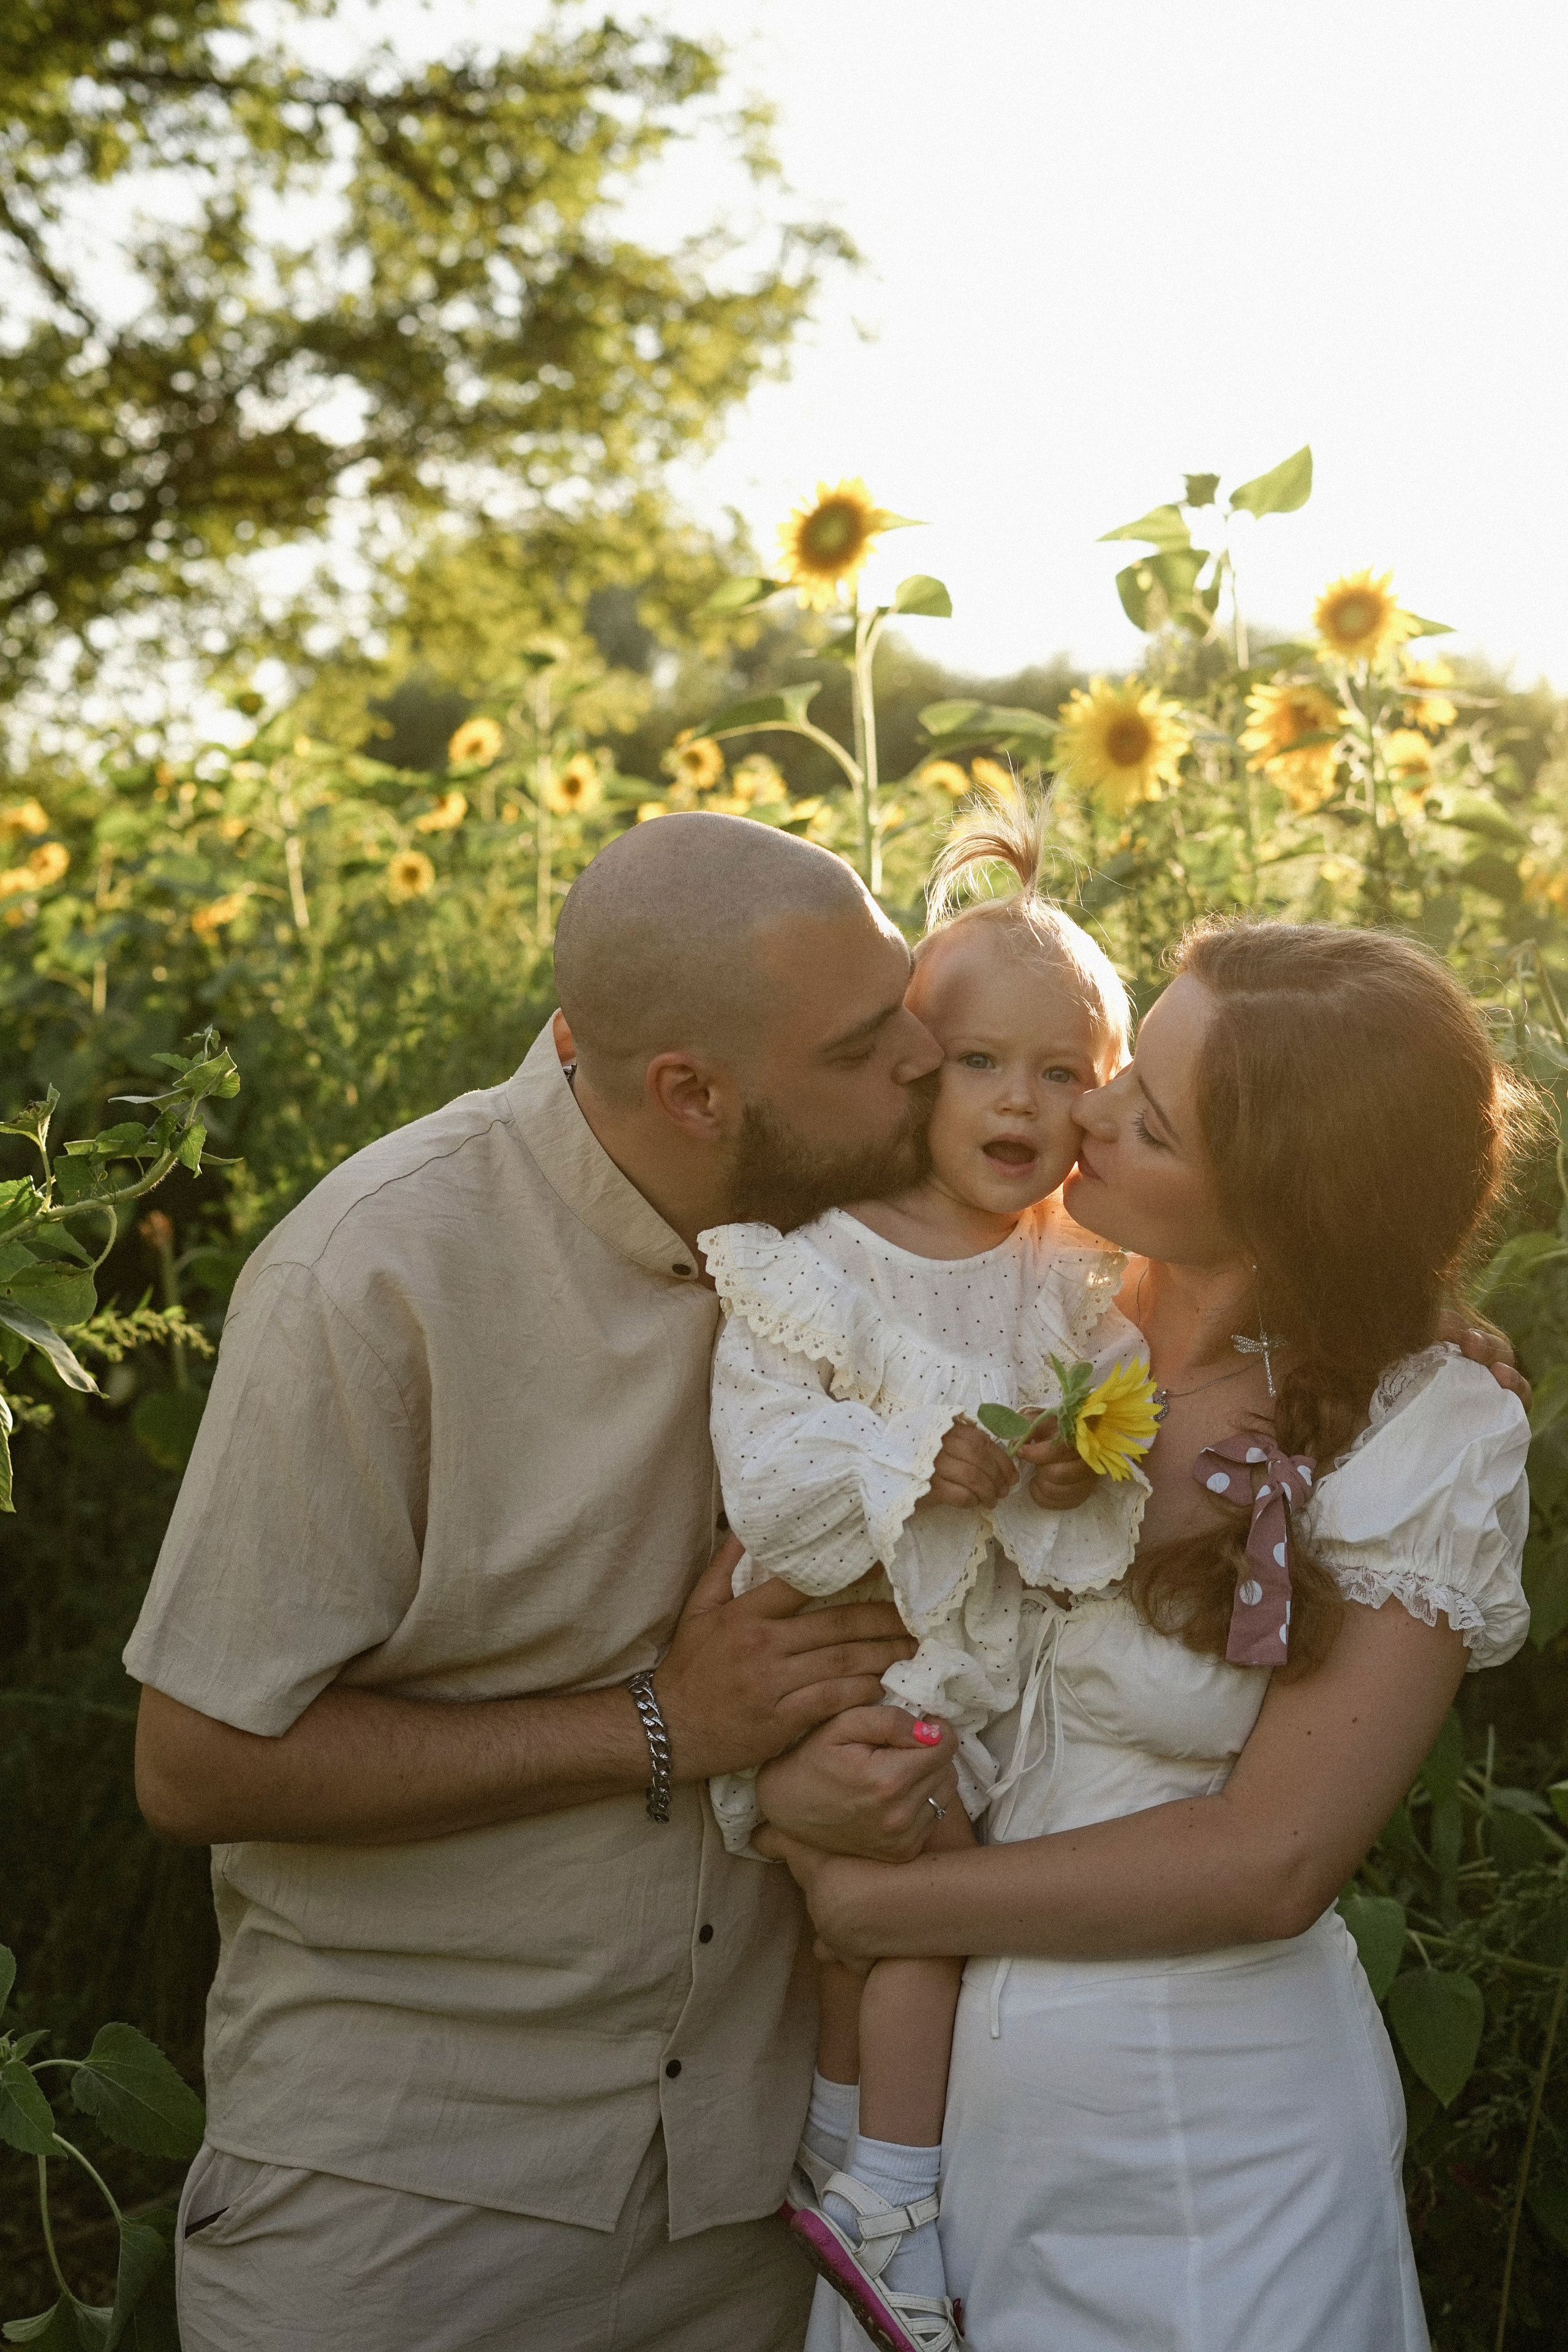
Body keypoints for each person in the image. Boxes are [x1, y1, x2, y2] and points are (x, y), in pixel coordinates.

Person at [124, 812, 968, 2352]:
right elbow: (194, 1760)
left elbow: (1164, 1235)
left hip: (758, 2198)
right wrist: (657, 1723)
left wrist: (1398, 1362)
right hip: (413, 2207)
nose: (923, 1058)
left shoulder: (884, 1227)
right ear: (691, 1093)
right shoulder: (375, 1276)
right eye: (865, 1044)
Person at [761, 919, 1535, 2352]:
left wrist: (873, 1910)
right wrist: (791, 1791)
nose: (1084, 1111)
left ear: (1283, 1199)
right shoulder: (1021, 1300)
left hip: (1206, 2182)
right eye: (1123, 1066)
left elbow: (1270, 1862)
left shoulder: (1422, 1428)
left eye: (1147, 1116)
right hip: (931, 2161)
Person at [699, 792, 1155, 2352]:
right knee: (914, 1885)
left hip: (994, 1677)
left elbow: (1119, 1468)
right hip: (856, 1654)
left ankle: (837, 2145)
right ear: (912, 1065)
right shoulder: (814, 1260)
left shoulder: (1073, 1275)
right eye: (978, 1061)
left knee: (880, 1920)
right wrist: (914, 1467)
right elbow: (762, 1467)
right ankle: (896, 2209)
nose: (1016, 1101)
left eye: (1062, 1072)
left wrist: (1063, 1470)